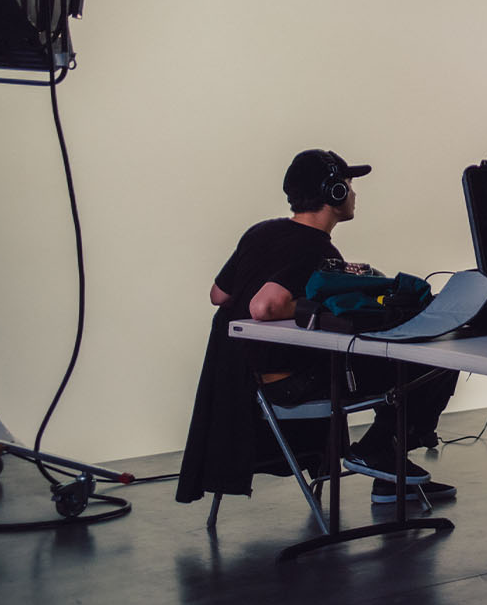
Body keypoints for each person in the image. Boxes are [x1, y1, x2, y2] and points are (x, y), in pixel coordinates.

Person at [175, 149, 458, 507]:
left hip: (251, 383)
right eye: (349, 185)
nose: (354, 194)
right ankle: (380, 452)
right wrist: (316, 304)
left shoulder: (261, 232)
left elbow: (219, 295)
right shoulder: (315, 250)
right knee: (432, 364)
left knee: (398, 365)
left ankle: (389, 470)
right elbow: (264, 306)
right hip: (295, 385)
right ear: (334, 193)